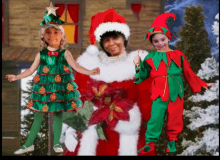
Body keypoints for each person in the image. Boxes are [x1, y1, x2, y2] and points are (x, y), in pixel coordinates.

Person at [6, 2, 100, 155]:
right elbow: (30, 69)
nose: (52, 36)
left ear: (62, 35)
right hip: (43, 89)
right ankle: (28, 144)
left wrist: (90, 71)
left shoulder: (65, 54)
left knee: (58, 117)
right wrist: (17, 76)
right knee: (38, 117)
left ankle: (56, 143)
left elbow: (76, 67)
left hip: (59, 90)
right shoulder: (40, 54)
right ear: (43, 36)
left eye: (55, 33)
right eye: (48, 33)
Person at [61, 8, 153, 156]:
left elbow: (147, 102)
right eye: (106, 40)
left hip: (128, 132)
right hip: (94, 134)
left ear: (124, 38)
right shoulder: (88, 67)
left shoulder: (138, 65)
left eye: (115, 37)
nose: (111, 43)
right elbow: (76, 100)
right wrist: (71, 129)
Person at [133, 12, 215, 155]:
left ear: (168, 37)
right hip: (158, 93)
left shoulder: (178, 55)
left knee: (175, 119)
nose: (160, 43)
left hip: (176, 91)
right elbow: (142, 76)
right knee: (155, 118)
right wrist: (138, 65)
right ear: (152, 42)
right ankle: (150, 143)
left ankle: (172, 141)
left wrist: (203, 84)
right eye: (155, 41)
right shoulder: (151, 57)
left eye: (162, 39)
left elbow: (189, 73)